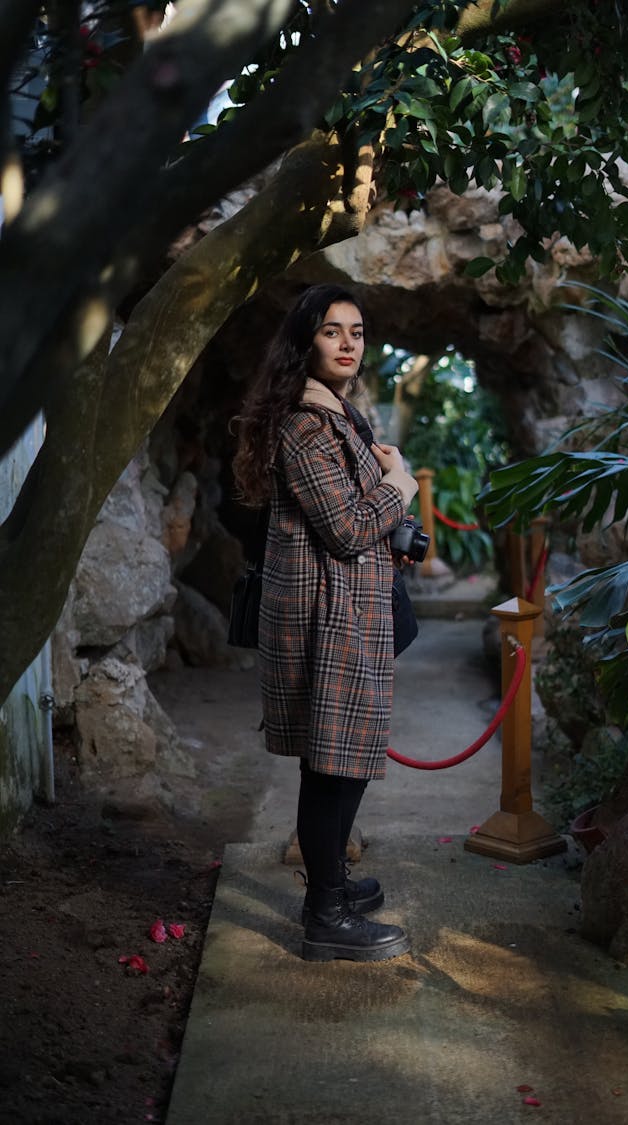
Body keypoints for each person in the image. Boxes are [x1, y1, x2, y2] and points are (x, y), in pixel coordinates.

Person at [233, 285, 418, 963]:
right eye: (331, 331)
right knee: (330, 766)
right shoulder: (305, 424)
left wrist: (383, 468)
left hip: (350, 610)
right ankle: (324, 915)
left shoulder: (338, 415)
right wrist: (401, 488)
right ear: (304, 342)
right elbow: (345, 529)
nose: (347, 343)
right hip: (325, 615)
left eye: (357, 331)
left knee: (349, 759)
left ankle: (333, 883)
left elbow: (352, 510)